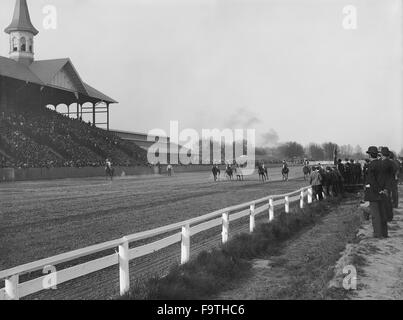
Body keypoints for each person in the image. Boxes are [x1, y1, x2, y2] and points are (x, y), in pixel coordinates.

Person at [364, 146, 388, 238]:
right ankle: (384, 233)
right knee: (382, 213)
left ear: (370, 155)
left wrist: (379, 190)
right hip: (383, 192)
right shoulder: (382, 164)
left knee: (375, 215)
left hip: (374, 193)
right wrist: (384, 189)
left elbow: (372, 181)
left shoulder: (371, 165)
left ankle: (377, 234)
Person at [380, 147, 395, 222]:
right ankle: (390, 216)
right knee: (388, 200)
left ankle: (387, 216)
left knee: (385, 201)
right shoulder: (390, 162)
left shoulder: (383, 163)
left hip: (385, 184)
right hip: (390, 183)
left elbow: (382, 175)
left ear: (382, 154)